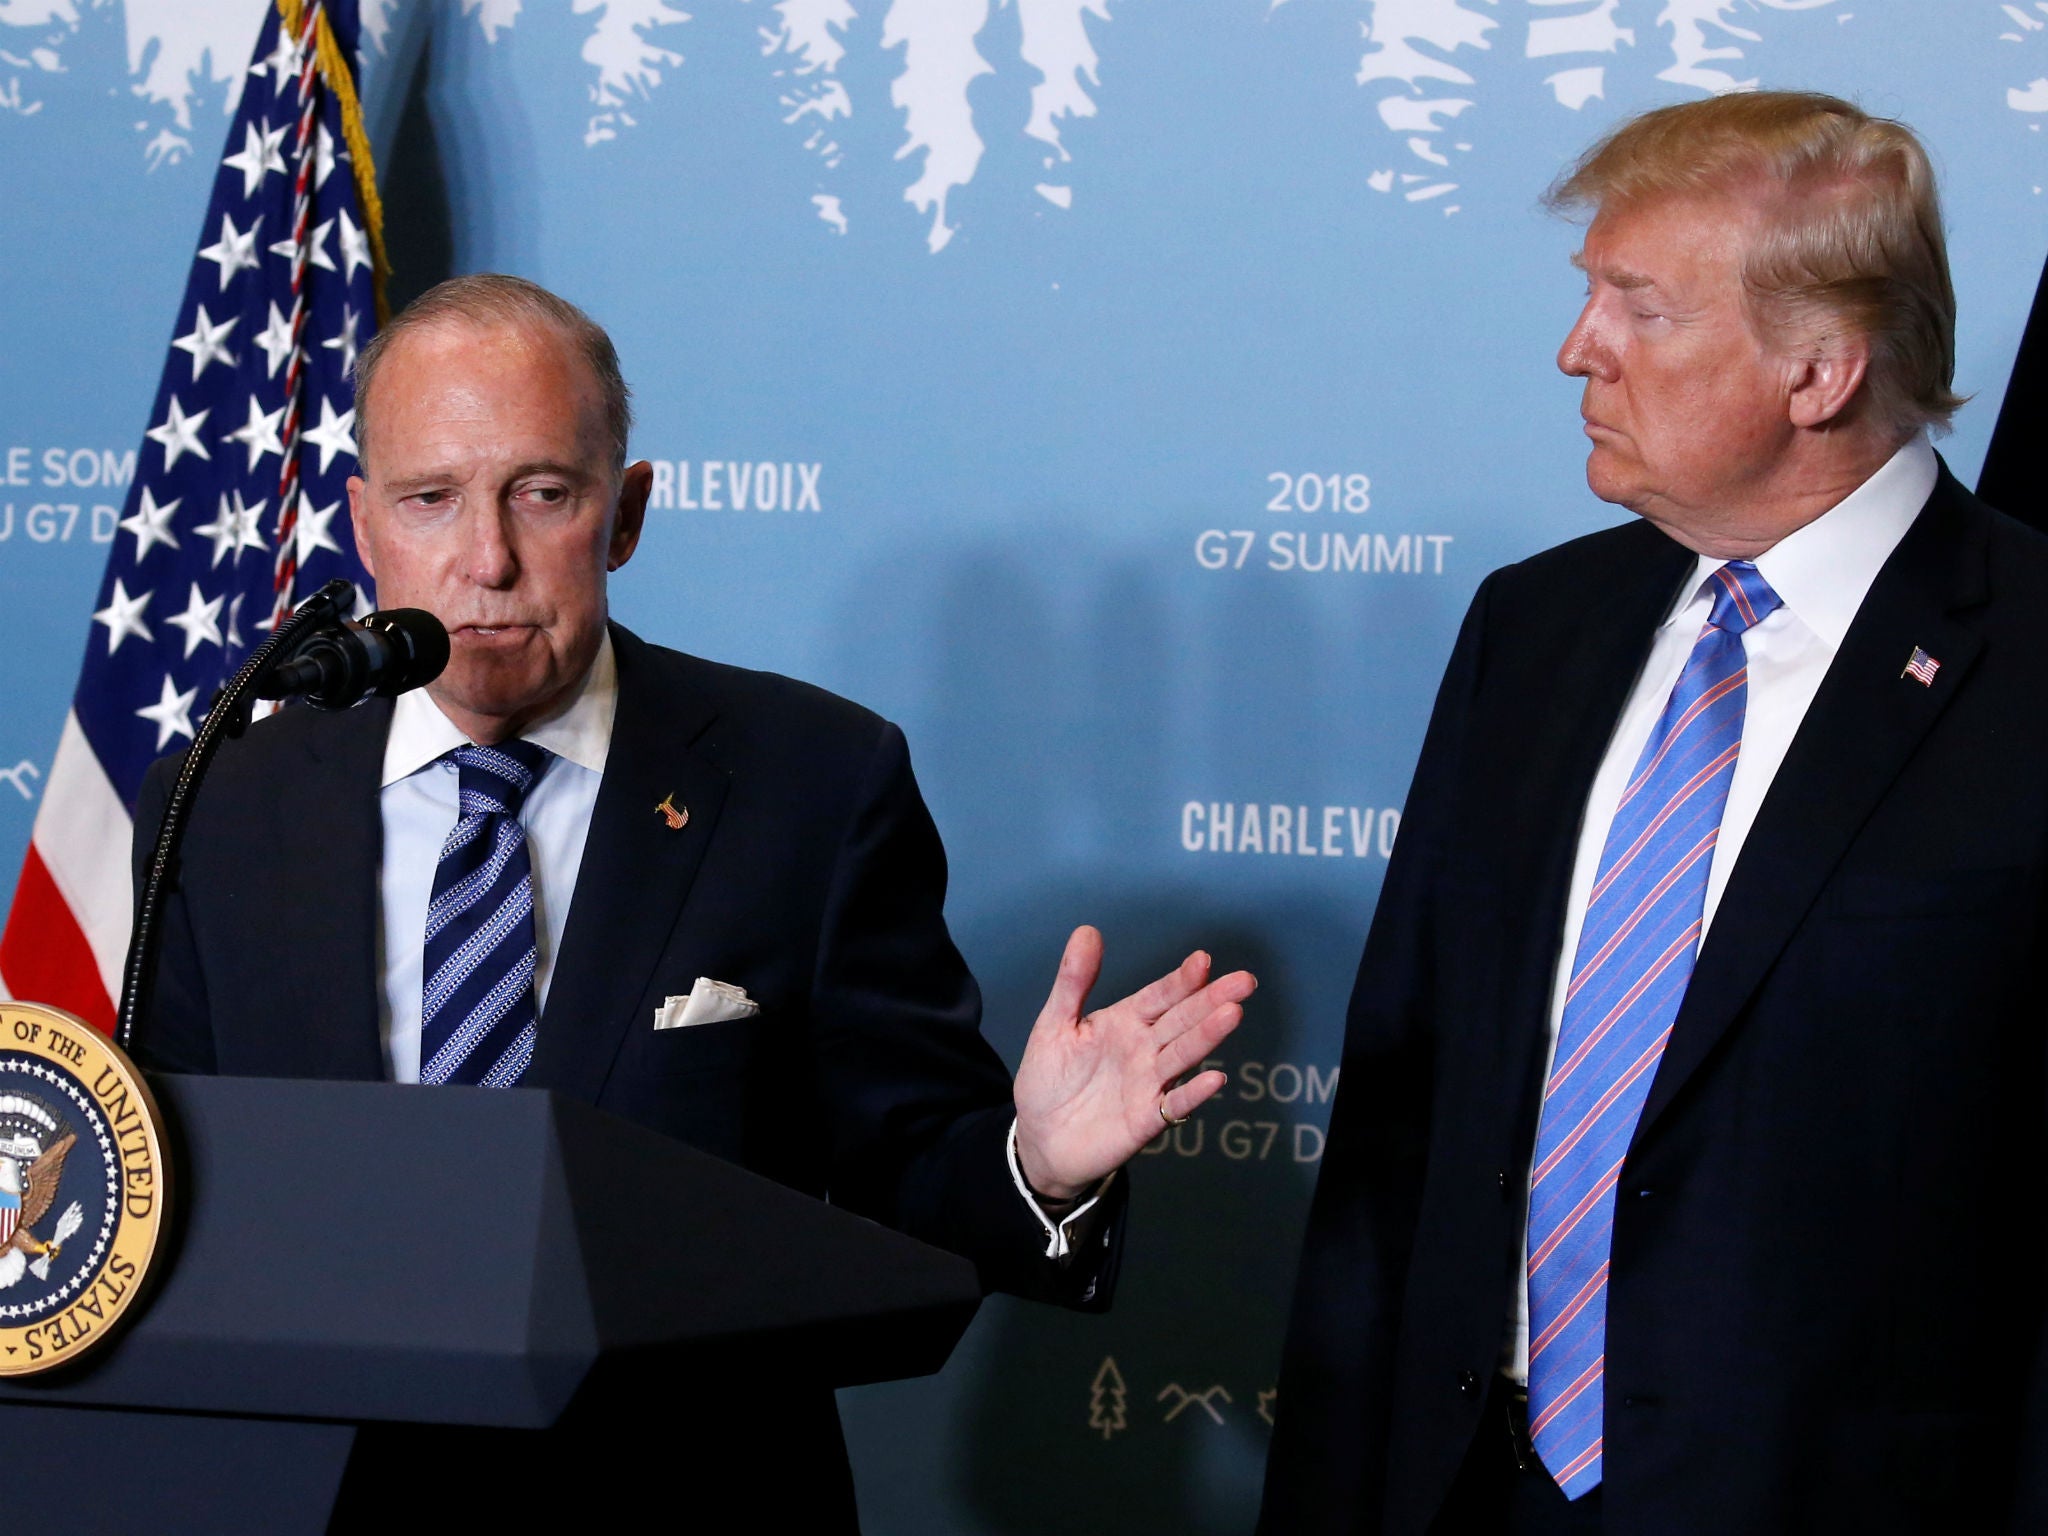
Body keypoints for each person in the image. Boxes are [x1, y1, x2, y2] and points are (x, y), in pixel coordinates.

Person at [133, 273, 1255, 1526]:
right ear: (363, 524)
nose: (485, 560)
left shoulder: (809, 782)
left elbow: (907, 1174)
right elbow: (174, 1198)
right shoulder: (220, 804)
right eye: (431, 500)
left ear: (625, 513)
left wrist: (1034, 1165)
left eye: (541, 494)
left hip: (687, 1498)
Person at [1261, 92, 2048, 1535]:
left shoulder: (2033, 660)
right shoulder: (1536, 628)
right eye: (1589, 298)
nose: (1581, 350)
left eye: (1640, 309)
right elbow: (1402, 1114)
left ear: (1817, 371)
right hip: (1464, 1491)